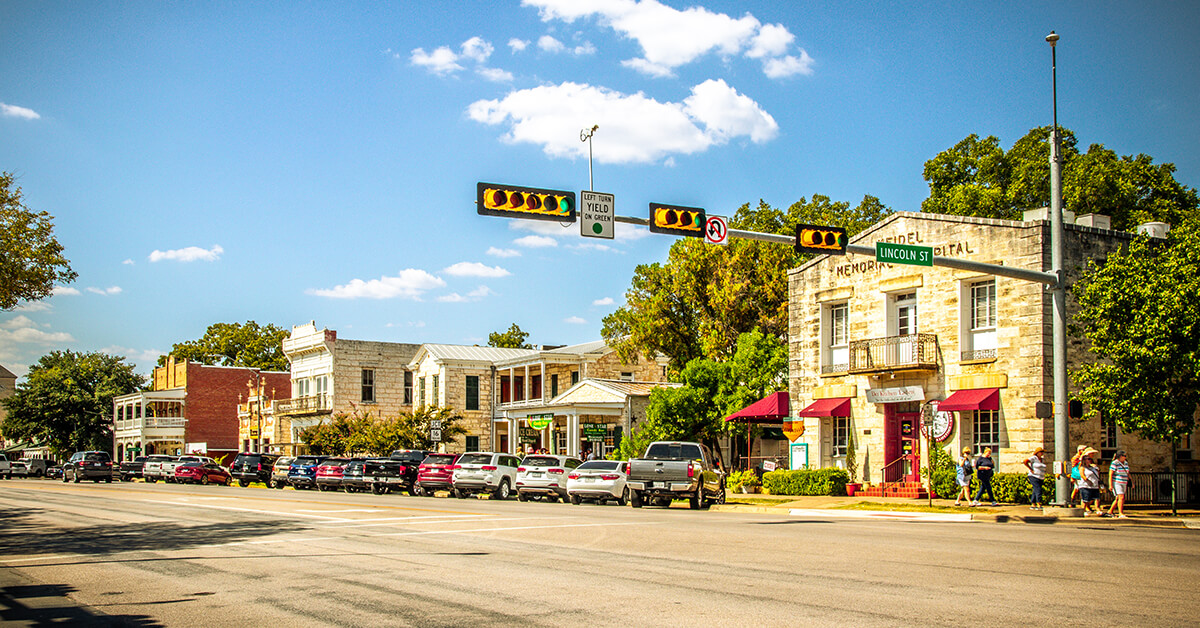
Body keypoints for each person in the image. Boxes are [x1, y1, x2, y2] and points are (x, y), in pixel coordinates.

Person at [1107, 450, 1131, 518]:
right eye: (1124, 456)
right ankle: (1121, 512)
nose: (1125, 457)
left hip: (1124, 482)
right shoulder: (1115, 463)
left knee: (1117, 498)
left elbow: (1128, 472)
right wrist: (1110, 484)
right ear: (1120, 456)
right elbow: (1111, 474)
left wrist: (1131, 481)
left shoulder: (1125, 463)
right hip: (1117, 482)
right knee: (1121, 497)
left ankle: (1110, 511)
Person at [1078, 448, 1102, 515]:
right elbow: (1082, 475)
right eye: (1088, 459)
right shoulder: (1082, 467)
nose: (1090, 460)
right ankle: (1084, 509)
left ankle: (1097, 509)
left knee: (1096, 498)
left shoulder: (1093, 467)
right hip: (1086, 485)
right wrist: (1088, 480)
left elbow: (1097, 473)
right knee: (1086, 498)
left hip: (1094, 485)